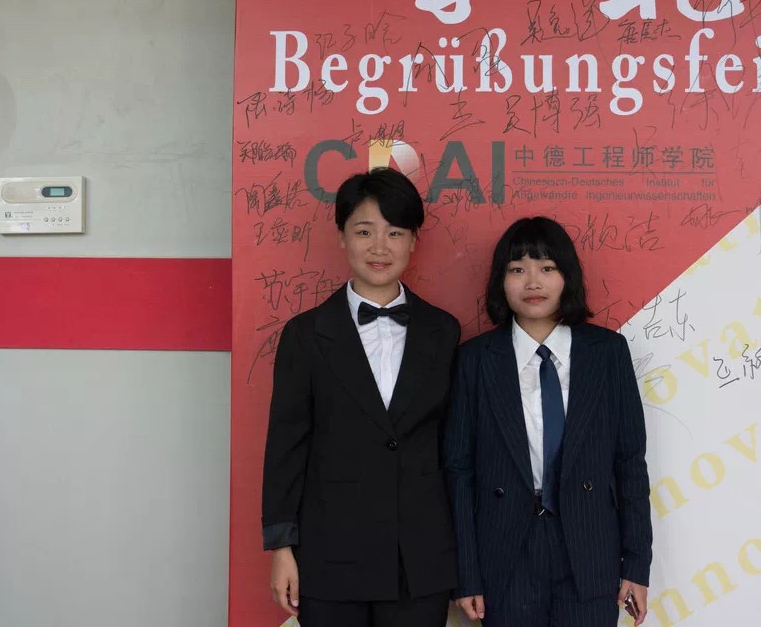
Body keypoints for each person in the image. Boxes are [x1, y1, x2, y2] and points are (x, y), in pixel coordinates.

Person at [261, 167, 461, 627]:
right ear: (342, 237)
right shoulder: (305, 334)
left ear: (414, 241)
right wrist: (282, 547)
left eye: (395, 233)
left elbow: (455, 447)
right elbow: (286, 446)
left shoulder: (443, 331)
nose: (379, 247)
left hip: (421, 558)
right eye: (365, 231)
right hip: (329, 554)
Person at [445, 216, 653, 627]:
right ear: (500, 281)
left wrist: (637, 564)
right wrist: (466, 573)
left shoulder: (607, 352)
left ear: (567, 276)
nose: (532, 282)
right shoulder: (476, 359)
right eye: (517, 269)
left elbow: (630, 462)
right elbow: (458, 471)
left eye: (547, 267)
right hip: (504, 553)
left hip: (590, 550)